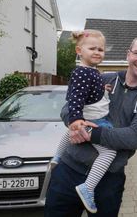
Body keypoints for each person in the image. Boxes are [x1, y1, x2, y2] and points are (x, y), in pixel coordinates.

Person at [45, 36, 137, 217]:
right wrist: (75, 123)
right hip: (68, 171)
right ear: (128, 54)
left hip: (108, 181)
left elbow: (134, 137)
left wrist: (87, 131)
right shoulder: (103, 77)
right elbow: (68, 109)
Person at [50, 29, 117, 213]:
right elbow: (76, 98)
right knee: (109, 153)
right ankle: (87, 187)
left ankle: (57, 156)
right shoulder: (83, 73)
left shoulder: (90, 72)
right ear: (79, 51)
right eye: (92, 48)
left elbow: (88, 91)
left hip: (89, 118)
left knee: (68, 133)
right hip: (92, 121)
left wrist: (103, 88)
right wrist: (77, 120)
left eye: (101, 50)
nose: (97, 52)